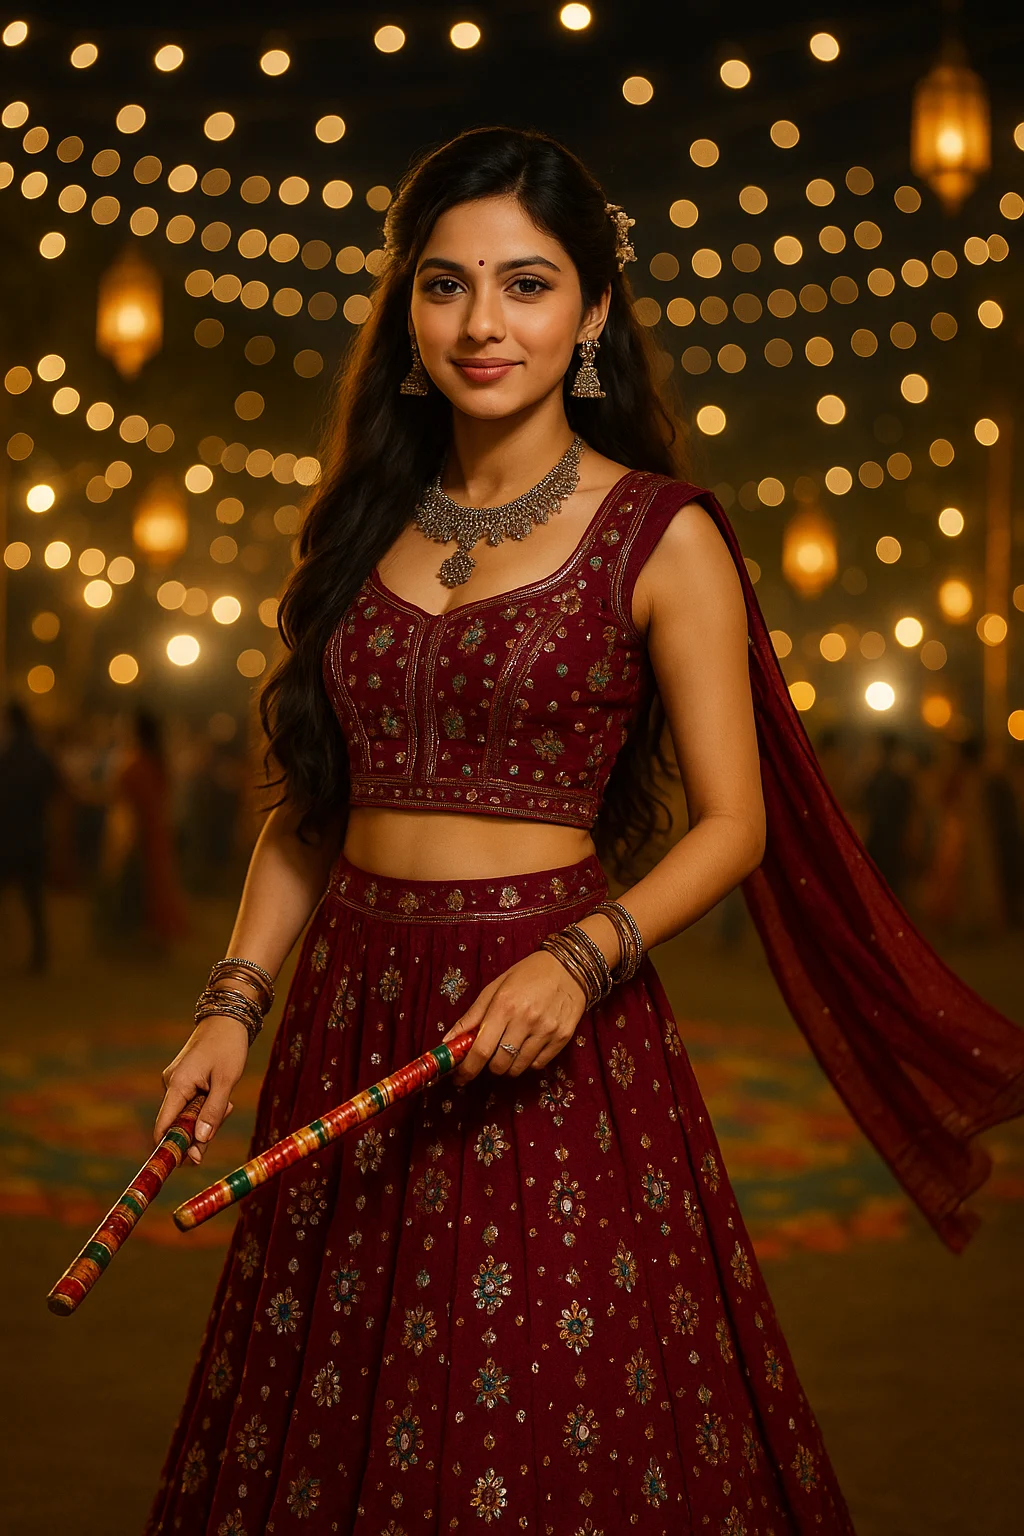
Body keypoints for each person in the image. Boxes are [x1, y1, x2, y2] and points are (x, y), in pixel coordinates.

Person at [146, 128, 1024, 1535]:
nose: (483, 324)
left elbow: (733, 824)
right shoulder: (364, 526)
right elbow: (312, 810)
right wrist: (233, 1007)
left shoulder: (659, 533)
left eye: (528, 284)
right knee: (328, 1415)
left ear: (595, 312)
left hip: (553, 1028)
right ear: (407, 311)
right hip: (351, 1017)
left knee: (539, 1418)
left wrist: (580, 957)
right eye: (445, 286)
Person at [95, 707, 188, 951]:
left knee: (138, 885)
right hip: (156, 830)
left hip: (137, 833)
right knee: (155, 883)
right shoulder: (157, 760)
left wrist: (119, 843)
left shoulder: (136, 764)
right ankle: (151, 936)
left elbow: (125, 806)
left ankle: (133, 937)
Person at [0, 701, 57, 971]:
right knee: (34, 902)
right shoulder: (39, 755)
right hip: (34, 836)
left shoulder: (7, 756)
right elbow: (55, 790)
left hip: (8, 838)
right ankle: (39, 955)